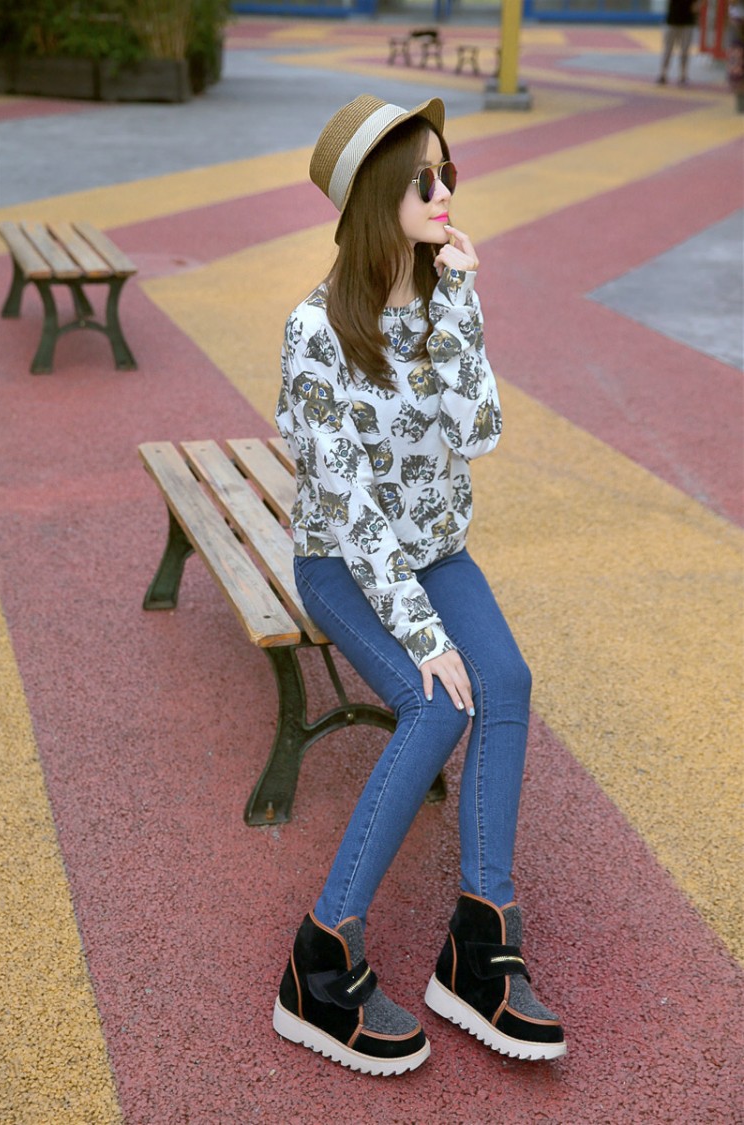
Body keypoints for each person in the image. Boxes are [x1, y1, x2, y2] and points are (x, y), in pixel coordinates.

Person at [272, 94, 566, 1076]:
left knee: (507, 681)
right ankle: (321, 959)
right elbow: (352, 514)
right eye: (423, 180)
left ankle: (479, 947)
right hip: (345, 565)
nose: (445, 192)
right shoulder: (315, 333)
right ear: (373, 201)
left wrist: (459, 309)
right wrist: (428, 639)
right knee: (440, 703)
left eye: (450, 173)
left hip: (437, 551)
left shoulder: (444, 299)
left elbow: (479, 432)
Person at [656, 0, 701, 85]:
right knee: (668, 50)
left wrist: (697, 6)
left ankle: (683, 75)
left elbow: (697, 5)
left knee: (684, 51)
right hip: (673, 21)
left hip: (687, 23)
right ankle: (663, 74)